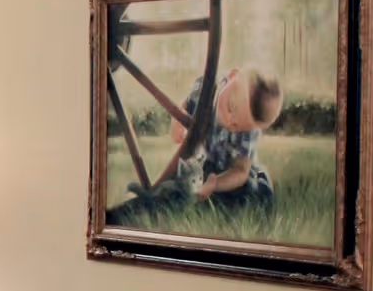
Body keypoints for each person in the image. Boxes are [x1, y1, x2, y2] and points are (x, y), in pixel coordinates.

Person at [108, 65, 283, 222]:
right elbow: (181, 110)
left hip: (229, 174)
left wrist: (217, 183)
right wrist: (178, 128)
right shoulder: (204, 92)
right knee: (179, 188)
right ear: (231, 76)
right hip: (202, 166)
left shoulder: (249, 133)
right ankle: (139, 204)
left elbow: (241, 170)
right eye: (230, 106)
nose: (230, 121)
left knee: (251, 193)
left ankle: (256, 186)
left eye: (238, 126)